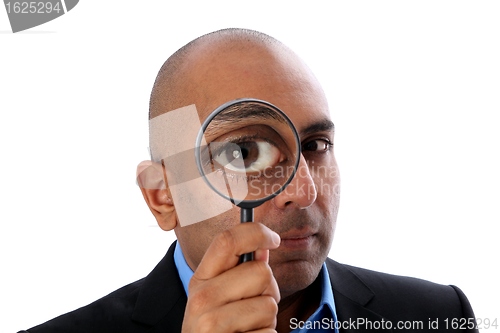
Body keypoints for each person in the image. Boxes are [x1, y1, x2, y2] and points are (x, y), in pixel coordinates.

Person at [19, 28, 477, 333]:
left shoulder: (438, 315)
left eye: (315, 145)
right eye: (243, 152)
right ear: (163, 197)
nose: (304, 191)